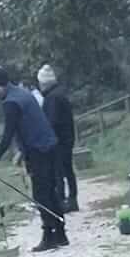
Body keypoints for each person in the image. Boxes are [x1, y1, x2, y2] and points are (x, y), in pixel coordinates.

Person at [0, 64, 67, 251]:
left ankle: (49, 236)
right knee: (50, 191)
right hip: (49, 145)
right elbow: (28, 124)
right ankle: (61, 234)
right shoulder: (22, 93)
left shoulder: (11, 102)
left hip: (39, 150)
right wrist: (21, 151)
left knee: (41, 194)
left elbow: (8, 134)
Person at [37, 64, 78, 213]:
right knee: (68, 170)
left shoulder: (52, 98)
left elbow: (51, 121)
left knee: (58, 172)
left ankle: (60, 201)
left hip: (58, 141)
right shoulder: (59, 94)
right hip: (67, 138)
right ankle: (72, 199)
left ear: (43, 83)